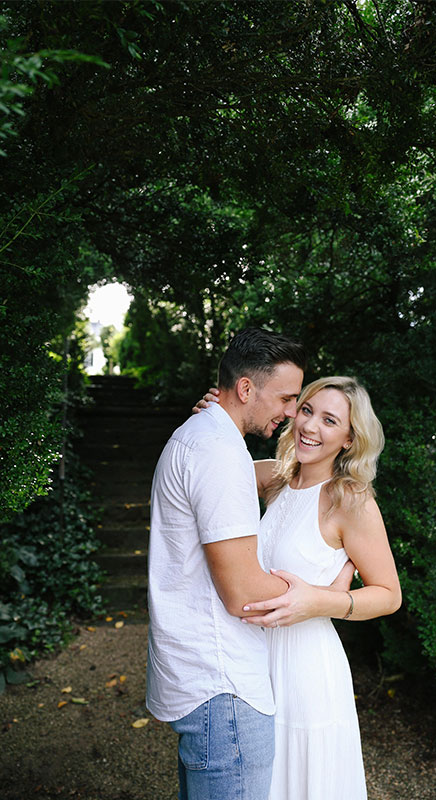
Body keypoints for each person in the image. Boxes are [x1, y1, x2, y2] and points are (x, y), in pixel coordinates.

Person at [197, 375, 402, 800]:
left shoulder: (351, 499)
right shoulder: (277, 479)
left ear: (349, 439)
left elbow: (388, 594)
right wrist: (215, 419)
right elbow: (217, 462)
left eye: (330, 420)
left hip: (307, 668)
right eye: (307, 411)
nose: (311, 427)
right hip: (253, 658)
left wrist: (319, 601)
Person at [146, 327, 308, 800]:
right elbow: (243, 593)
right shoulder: (215, 449)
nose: (292, 412)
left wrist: (328, 468)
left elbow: (259, 476)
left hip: (209, 680)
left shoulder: (209, 438)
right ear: (245, 389)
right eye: (286, 398)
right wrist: (327, 597)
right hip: (224, 687)